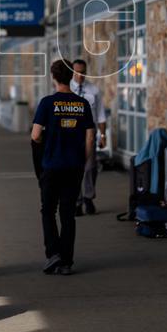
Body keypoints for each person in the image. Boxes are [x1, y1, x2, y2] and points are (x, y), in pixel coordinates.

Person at [32, 59, 95, 275]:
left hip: (51, 165)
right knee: (68, 213)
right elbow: (90, 137)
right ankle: (66, 261)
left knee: (48, 210)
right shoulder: (83, 104)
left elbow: (35, 135)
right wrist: (84, 161)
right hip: (74, 166)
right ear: (71, 76)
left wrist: (47, 141)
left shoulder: (47, 103)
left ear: (53, 77)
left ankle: (53, 254)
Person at [70, 59, 106, 216]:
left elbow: (100, 115)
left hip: (89, 134)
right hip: (71, 134)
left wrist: (103, 135)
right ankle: (77, 202)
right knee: (74, 169)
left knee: (90, 167)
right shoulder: (66, 88)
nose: (80, 76)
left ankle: (88, 198)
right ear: (72, 72)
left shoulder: (94, 90)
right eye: (77, 72)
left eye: (83, 72)